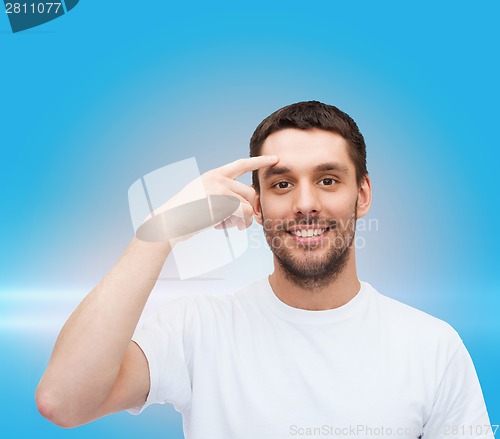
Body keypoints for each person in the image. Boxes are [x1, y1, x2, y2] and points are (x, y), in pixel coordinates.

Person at [36, 101, 493, 438]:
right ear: (256, 203)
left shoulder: (433, 346)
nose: (306, 204)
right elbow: (63, 401)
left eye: (328, 180)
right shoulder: (199, 329)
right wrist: (160, 230)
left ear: (363, 194)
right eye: (282, 183)